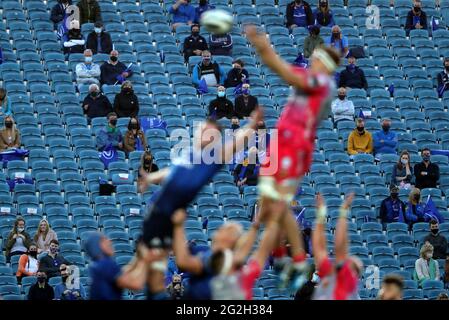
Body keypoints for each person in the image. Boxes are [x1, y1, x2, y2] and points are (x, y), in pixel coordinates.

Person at [246, 26, 341, 288]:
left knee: (277, 205)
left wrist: (266, 47)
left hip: (295, 146)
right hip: (279, 142)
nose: (311, 59)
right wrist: (259, 46)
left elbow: (287, 73)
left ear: (325, 63)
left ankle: (298, 259)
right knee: (266, 204)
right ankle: (281, 257)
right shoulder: (310, 76)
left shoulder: (324, 83)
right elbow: (280, 69)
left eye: (317, 57)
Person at [138, 108, 264, 300]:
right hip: (159, 210)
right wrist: (150, 178)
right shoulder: (189, 154)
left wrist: (251, 126)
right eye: (200, 130)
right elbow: (171, 172)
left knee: (152, 270)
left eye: (207, 132)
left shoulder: (212, 158)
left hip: (168, 213)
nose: (201, 134)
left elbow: (236, 143)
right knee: (147, 266)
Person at [312, 194, 363, 300]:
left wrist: (321, 214)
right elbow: (334, 248)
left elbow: (324, 247)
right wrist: (343, 212)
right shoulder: (332, 277)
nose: (349, 259)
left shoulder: (345, 281)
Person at [85, 232, 157, 300]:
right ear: (96, 246)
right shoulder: (106, 264)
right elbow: (137, 284)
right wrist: (146, 259)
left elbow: (122, 272)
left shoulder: (97, 264)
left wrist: (139, 255)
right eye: (104, 240)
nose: (109, 242)